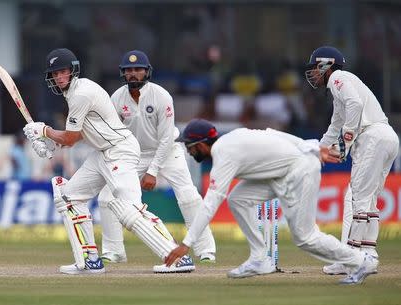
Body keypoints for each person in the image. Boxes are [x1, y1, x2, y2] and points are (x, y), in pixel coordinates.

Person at [23, 48, 195, 275]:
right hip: (102, 153)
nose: (59, 77)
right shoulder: (73, 93)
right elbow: (81, 132)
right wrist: (51, 143)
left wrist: (44, 130)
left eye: (63, 72)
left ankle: (177, 257)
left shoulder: (81, 93)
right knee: (70, 197)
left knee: (129, 209)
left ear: (72, 71)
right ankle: (90, 260)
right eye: (55, 74)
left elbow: (72, 138)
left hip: (120, 150)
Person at [165, 119, 378, 285]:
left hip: (300, 172)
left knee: (305, 237)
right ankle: (260, 259)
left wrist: (186, 244)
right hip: (281, 174)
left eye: (189, 146)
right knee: (238, 199)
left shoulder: (223, 153)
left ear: (201, 144)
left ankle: (361, 262)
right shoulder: (233, 137)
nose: (188, 151)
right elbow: (271, 134)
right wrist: (309, 145)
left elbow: (211, 202)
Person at [98, 50, 216, 265]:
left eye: (138, 70)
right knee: (107, 198)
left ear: (147, 71)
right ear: (123, 74)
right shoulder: (116, 97)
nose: (133, 74)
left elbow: (165, 138)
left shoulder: (161, 96)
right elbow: (113, 133)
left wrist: (152, 172)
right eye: (129, 70)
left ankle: (205, 249)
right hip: (133, 154)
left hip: (167, 150)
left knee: (189, 195)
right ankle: (113, 250)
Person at [305, 46, 399, 275]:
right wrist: (316, 151)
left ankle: (352, 259)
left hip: (373, 138)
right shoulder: (340, 92)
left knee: (358, 196)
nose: (312, 74)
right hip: (386, 138)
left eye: (315, 68)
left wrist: (347, 139)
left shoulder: (338, 77)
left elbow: (355, 106)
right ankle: (368, 254)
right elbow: (333, 127)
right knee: (365, 199)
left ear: (326, 66)